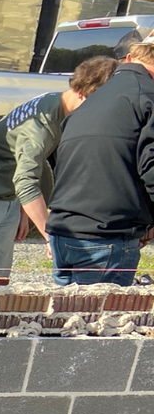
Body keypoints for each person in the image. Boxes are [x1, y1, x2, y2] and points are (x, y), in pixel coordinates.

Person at [0, 55, 118, 276]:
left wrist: (21, 211)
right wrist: (50, 236)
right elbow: (26, 181)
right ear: (83, 93)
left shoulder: (57, 103)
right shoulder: (41, 124)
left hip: (7, 198)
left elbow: (21, 167)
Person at [46, 40, 154, 286]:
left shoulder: (95, 97)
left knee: (64, 322)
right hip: (107, 236)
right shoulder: (148, 97)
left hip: (65, 230)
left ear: (130, 58)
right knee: (99, 322)